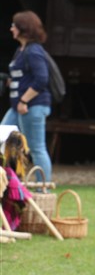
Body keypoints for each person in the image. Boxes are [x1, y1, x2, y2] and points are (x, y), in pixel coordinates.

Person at [1, 11, 53, 182]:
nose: (11, 29)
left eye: (14, 26)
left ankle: (43, 187)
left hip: (31, 106)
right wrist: (10, 81)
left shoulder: (34, 51)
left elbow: (42, 79)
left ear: (23, 28)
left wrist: (24, 100)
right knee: (2, 137)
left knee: (37, 148)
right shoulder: (21, 50)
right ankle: (8, 181)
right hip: (18, 107)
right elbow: (25, 77)